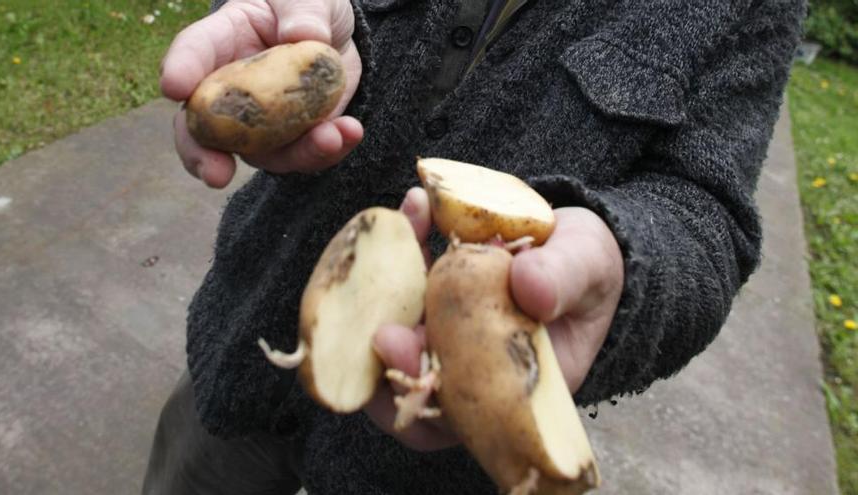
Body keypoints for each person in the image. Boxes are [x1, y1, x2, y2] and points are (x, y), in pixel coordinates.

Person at [143, 0, 805, 493]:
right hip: (251, 331)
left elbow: (706, 213)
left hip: (440, 446)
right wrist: (279, 24)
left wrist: (622, 260)